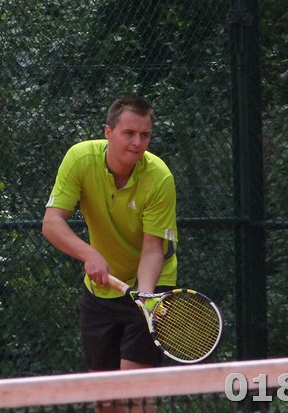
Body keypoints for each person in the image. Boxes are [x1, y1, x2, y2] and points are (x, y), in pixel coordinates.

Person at [42, 94, 178, 372]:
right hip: (100, 292)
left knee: (133, 388)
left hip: (149, 284)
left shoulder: (160, 178)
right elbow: (51, 222)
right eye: (129, 133)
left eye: (145, 135)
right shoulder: (80, 159)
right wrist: (89, 255)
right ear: (108, 132)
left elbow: (153, 249)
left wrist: (145, 297)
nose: (137, 142)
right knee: (102, 390)